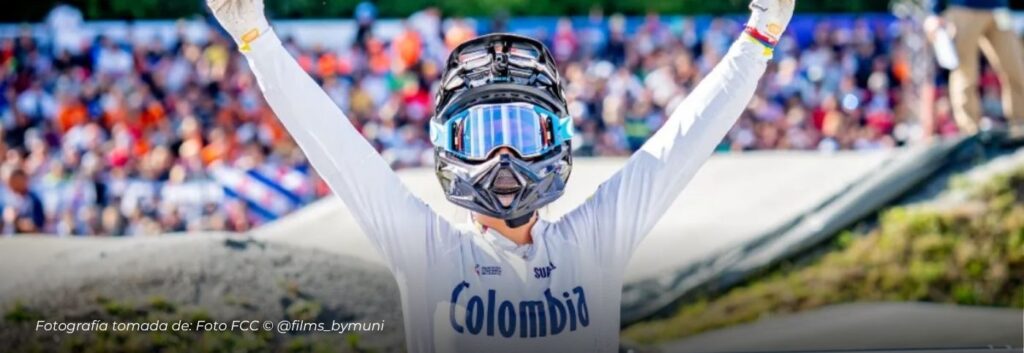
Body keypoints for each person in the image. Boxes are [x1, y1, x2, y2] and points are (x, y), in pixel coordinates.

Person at [205, 0, 794, 351]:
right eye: (485, 137)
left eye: (522, 131)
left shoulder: (593, 241)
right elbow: (334, 145)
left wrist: (760, 36)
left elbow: (683, 142)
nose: (504, 158)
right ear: (450, 148)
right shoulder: (427, 249)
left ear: (557, 139)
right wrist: (256, 41)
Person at [926, 0, 1024, 134]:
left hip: (998, 9)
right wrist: (934, 11)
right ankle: (969, 130)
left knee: (1016, 69)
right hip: (964, 8)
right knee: (965, 73)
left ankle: (1020, 124)